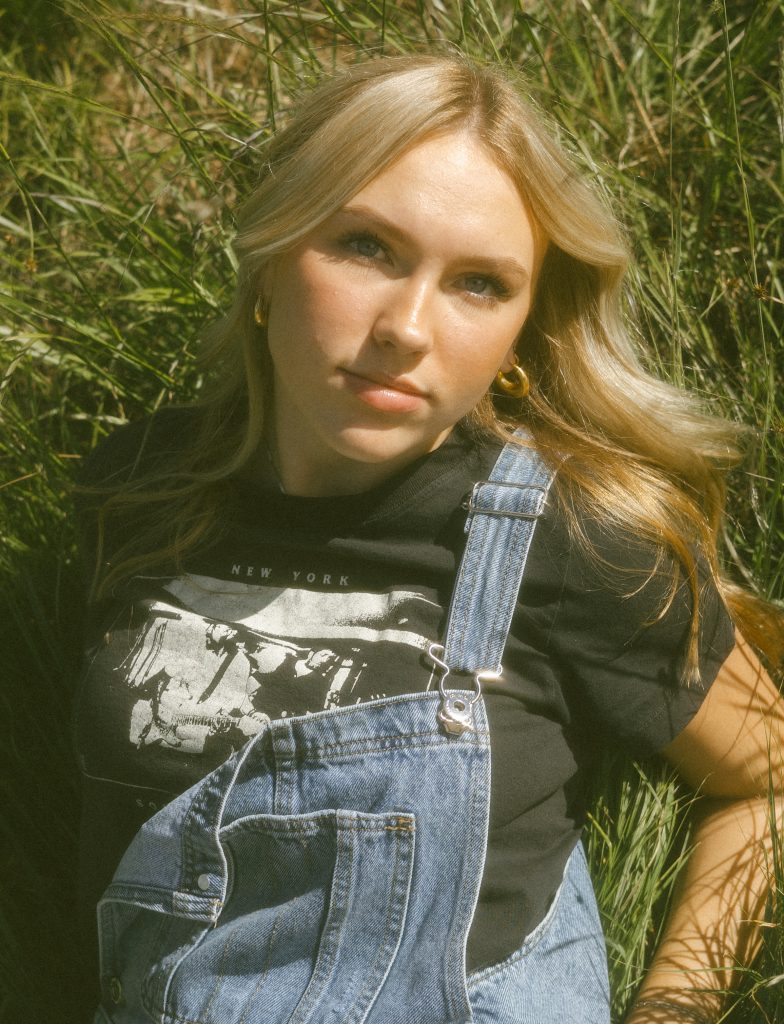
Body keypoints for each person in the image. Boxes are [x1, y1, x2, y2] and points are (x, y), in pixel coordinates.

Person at [75, 53, 784, 1023]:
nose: (406, 326)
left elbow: (767, 776)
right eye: (366, 246)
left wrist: (676, 1008)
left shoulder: (575, 539)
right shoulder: (137, 489)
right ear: (272, 256)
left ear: (522, 333)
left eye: (479, 284)